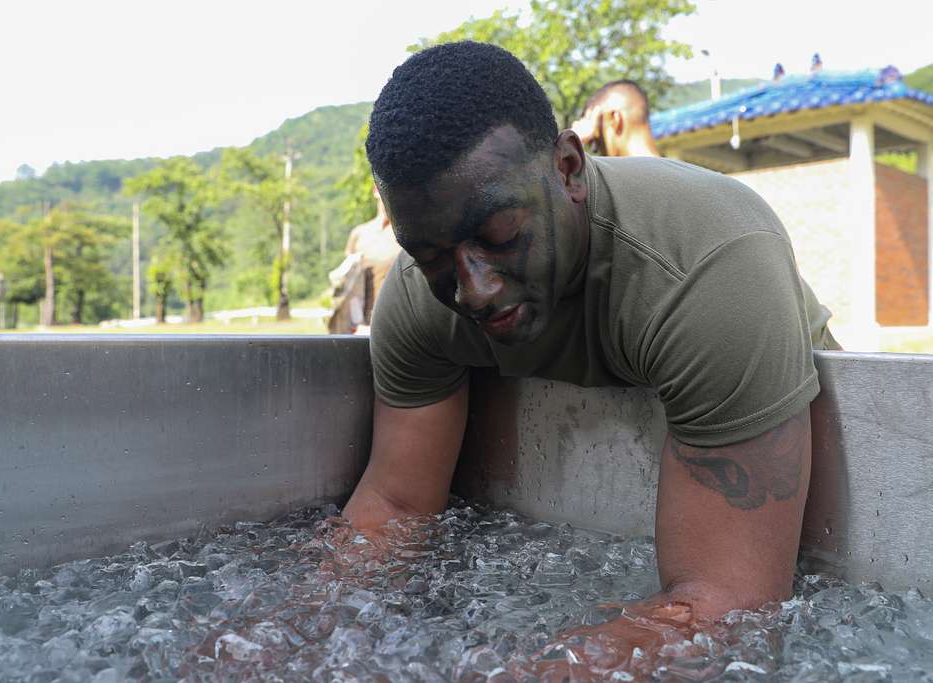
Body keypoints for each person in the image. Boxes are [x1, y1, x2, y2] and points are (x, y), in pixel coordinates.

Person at [342, 41, 838, 670]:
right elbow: (396, 508)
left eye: (501, 237)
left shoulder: (705, 269)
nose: (473, 289)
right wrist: (281, 636)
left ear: (570, 168)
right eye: (434, 257)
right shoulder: (421, 299)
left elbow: (728, 606)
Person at [327, 187, 400, 334]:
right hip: (363, 326)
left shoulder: (406, 235)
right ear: (375, 190)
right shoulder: (359, 234)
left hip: (398, 325)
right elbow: (350, 285)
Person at [571, 79, 661, 158]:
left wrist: (572, 141)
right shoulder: (673, 169)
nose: (597, 151)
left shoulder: (622, 175)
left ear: (614, 119)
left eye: (596, 141)